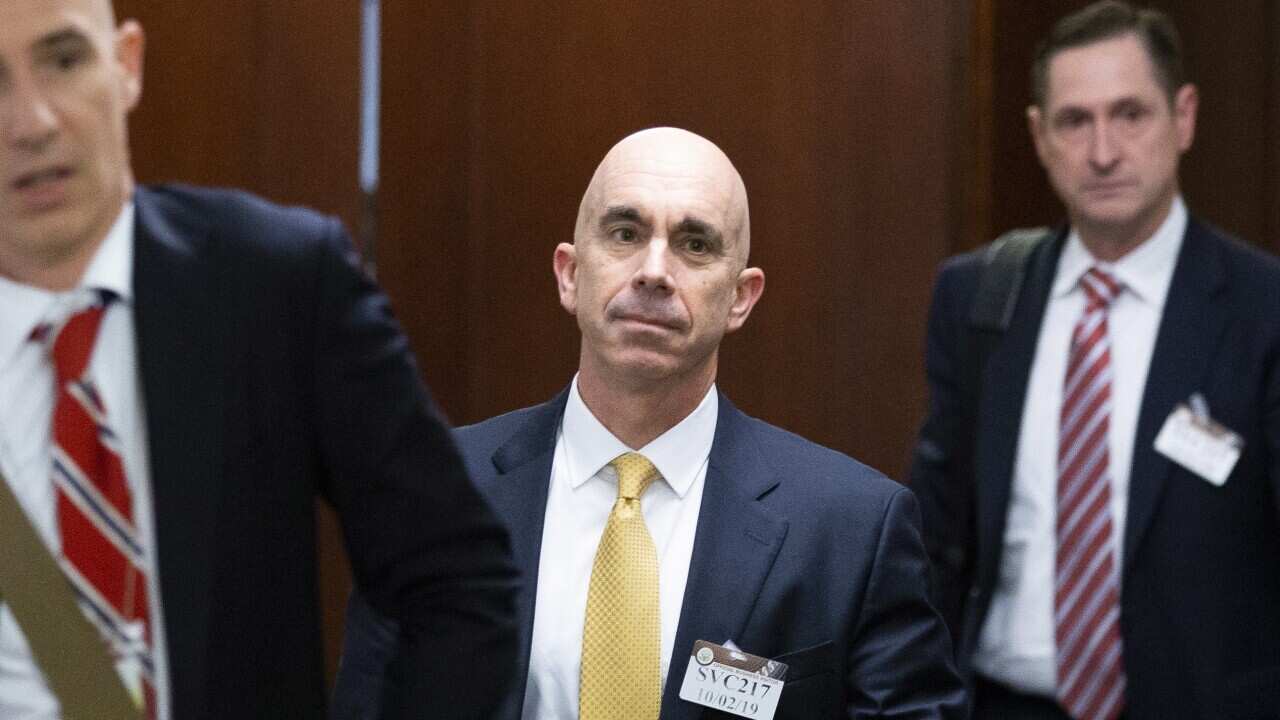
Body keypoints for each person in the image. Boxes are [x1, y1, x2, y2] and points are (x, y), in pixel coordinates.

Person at [334, 127, 965, 720]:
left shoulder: (853, 527)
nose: (655, 272)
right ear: (570, 274)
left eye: (695, 244)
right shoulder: (436, 494)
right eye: (625, 233)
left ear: (741, 297)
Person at [0, 1, 519, 717]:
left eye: (64, 60)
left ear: (126, 64)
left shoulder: (276, 285)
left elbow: (459, 584)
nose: (33, 122)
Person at [910, 2, 1280, 719]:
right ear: (1039, 137)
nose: (1103, 150)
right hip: (1001, 704)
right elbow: (934, 532)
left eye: (1130, 115)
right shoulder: (979, 297)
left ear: (1184, 117)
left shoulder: (1263, 311)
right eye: (1075, 121)